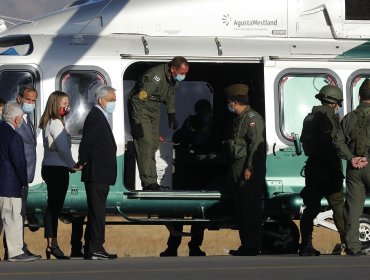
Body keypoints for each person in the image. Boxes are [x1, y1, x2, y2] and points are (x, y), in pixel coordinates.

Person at [160, 99, 214, 257]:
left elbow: (207, 142)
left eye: (204, 113)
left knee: (199, 214)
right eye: (200, 113)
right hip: (185, 172)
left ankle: (194, 246)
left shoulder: (212, 125)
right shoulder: (191, 122)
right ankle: (173, 247)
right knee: (178, 212)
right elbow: (176, 138)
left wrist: (205, 128)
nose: (202, 116)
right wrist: (188, 128)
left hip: (201, 172)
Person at [128, 56, 189, 191]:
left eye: (185, 73)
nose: (183, 76)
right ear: (173, 69)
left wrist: (171, 113)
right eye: (182, 73)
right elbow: (138, 100)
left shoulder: (173, 78)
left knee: (154, 143)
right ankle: (149, 182)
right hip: (141, 108)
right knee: (146, 143)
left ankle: (151, 180)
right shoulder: (155, 78)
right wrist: (137, 122)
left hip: (154, 108)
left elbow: (171, 95)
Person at [299, 85, 345, 256]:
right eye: (338, 103)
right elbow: (331, 144)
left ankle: (305, 245)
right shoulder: (328, 118)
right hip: (328, 168)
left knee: (310, 208)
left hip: (312, 167)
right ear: (333, 102)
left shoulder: (309, 117)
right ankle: (348, 243)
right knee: (338, 206)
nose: (339, 107)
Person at [224, 84, 266, 256]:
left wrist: (249, 168)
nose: (228, 105)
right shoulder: (239, 118)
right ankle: (246, 244)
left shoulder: (252, 118)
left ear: (234, 101)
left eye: (229, 102)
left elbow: (256, 145)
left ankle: (252, 245)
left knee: (250, 209)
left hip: (247, 172)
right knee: (241, 210)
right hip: (237, 169)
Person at [39, 91, 81, 259]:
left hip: (49, 167)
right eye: (64, 103)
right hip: (57, 169)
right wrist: (73, 164)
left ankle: (51, 244)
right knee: (54, 208)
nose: (67, 106)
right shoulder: (56, 123)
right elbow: (63, 148)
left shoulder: (48, 122)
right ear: (56, 104)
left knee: (52, 207)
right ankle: (52, 245)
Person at [78, 85, 118, 260]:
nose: (113, 103)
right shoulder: (96, 116)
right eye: (111, 100)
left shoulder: (100, 116)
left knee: (96, 211)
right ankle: (96, 247)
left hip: (100, 173)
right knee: (97, 212)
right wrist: (82, 161)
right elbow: (87, 142)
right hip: (97, 173)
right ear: (101, 100)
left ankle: (91, 247)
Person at [334, 78, 370, 256]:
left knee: (353, 209)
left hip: (355, 168)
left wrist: (352, 158)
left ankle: (353, 247)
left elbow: (338, 141)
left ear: (359, 96)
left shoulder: (348, 118)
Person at [0, 102, 38, 262]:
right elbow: (19, 163)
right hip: (10, 185)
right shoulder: (14, 136)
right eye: (21, 117)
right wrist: (24, 181)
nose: (22, 120)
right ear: (16, 120)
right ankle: (15, 251)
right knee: (13, 218)